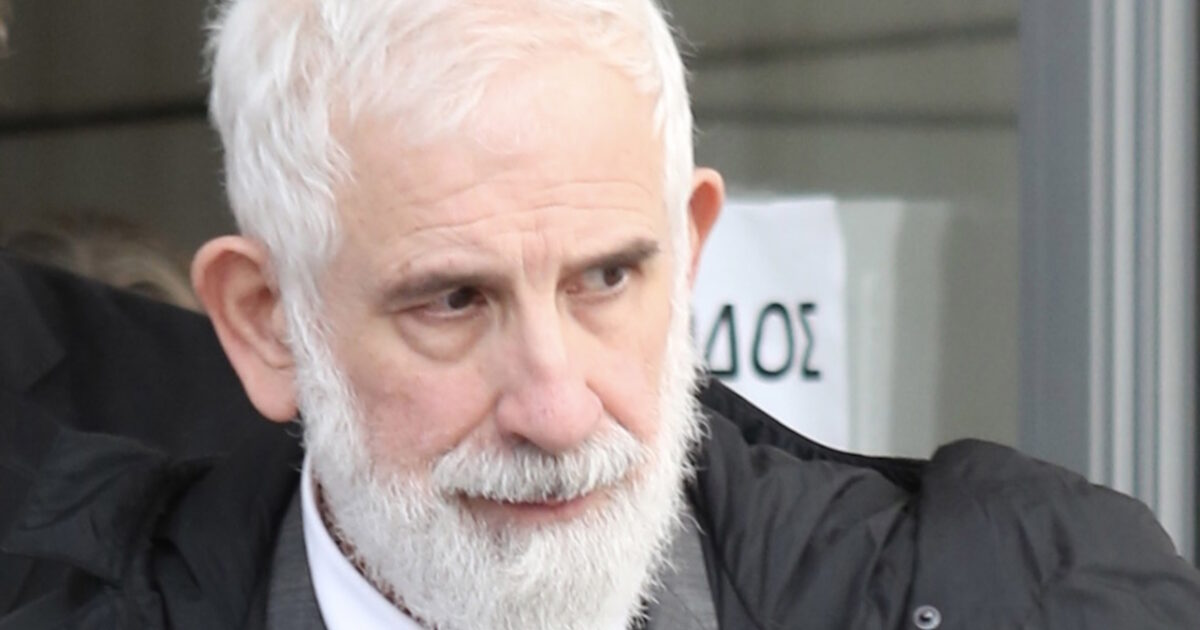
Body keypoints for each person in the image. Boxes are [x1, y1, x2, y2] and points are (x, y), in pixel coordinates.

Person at [2, 1, 1199, 629]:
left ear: (691, 246)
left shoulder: (1041, 599)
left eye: (608, 279)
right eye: (454, 301)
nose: (560, 409)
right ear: (267, 323)